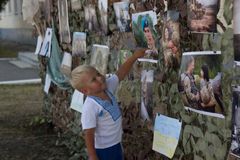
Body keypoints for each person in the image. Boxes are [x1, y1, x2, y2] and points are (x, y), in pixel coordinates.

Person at [70, 48, 147, 160]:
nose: (100, 78)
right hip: (104, 150)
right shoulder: (90, 106)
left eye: (98, 73)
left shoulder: (107, 88)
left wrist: (134, 57)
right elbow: (89, 133)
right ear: (85, 91)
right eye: (94, 80)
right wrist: (92, 156)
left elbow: (121, 73)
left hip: (116, 144)